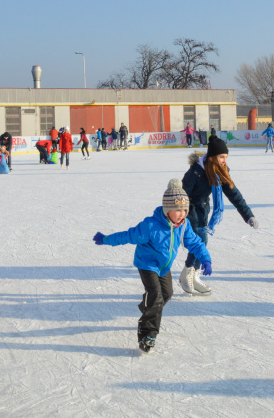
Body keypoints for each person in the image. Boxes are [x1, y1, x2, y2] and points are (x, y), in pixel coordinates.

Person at [92, 179, 212, 353]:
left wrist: (206, 258)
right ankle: (148, 333)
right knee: (156, 296)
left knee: (167, 294)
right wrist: (106, 239)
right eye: (177, 210)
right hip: (147, 264)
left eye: (184, 210)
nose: (182, 214)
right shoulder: (150, 226)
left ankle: (148, 308)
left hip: (164, 266)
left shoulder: (183, 225)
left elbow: (195, 243)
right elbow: (128, 236)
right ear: (167, 209)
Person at [179, 135, 258, 295]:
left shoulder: (220, 171)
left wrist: (248, 215)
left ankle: (193, 274)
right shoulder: (195, 172)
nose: (224, 160)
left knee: (202, 242)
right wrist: (176, 216)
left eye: (226, 157)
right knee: (200, 240)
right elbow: (181, 194)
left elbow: (234, 193)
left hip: (202, 208)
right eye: (221, 156)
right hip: (188, 209)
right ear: (213, 156)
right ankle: (187, 273)